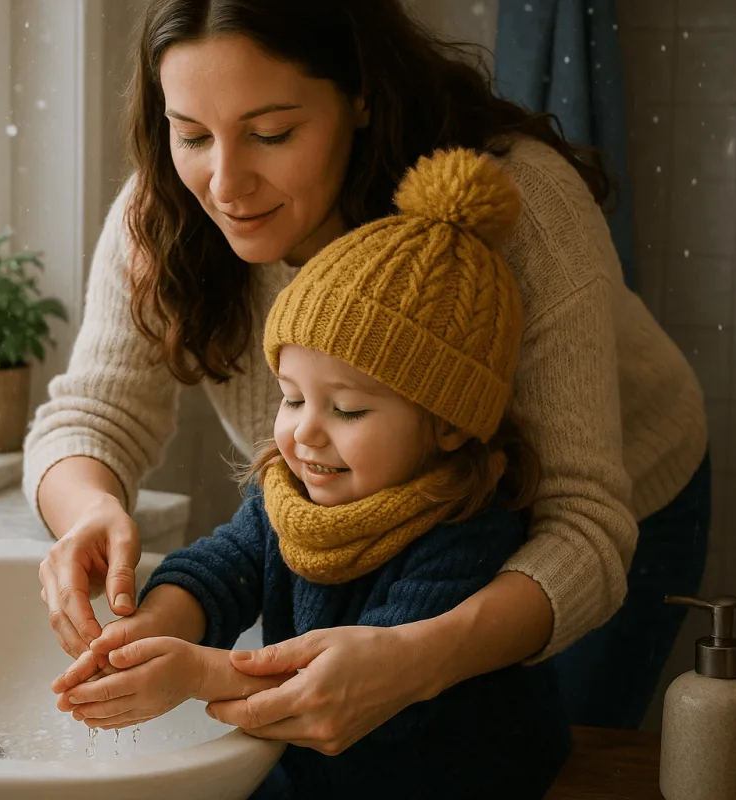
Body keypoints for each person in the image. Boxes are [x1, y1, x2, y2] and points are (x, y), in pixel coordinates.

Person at [27, 0, 709, 743]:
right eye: (190, 133)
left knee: (548, 752)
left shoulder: (522, 203)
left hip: (606, 513)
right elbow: (92, 415)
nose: (224, 183)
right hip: (359, 510)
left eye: (271, 133)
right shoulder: (165, 212)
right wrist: (89, 510)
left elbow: (584, 524)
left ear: (359, 94)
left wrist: (418, 660)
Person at [52, 149, 571, 799]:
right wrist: (151, 630)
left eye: (348, 408)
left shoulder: (467, 530)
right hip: (318, 771)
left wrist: (193, 673)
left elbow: (351, 687)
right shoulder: (291, 492)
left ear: (448, 424)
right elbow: (221, 570)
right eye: (291, 397)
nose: (304, 431)